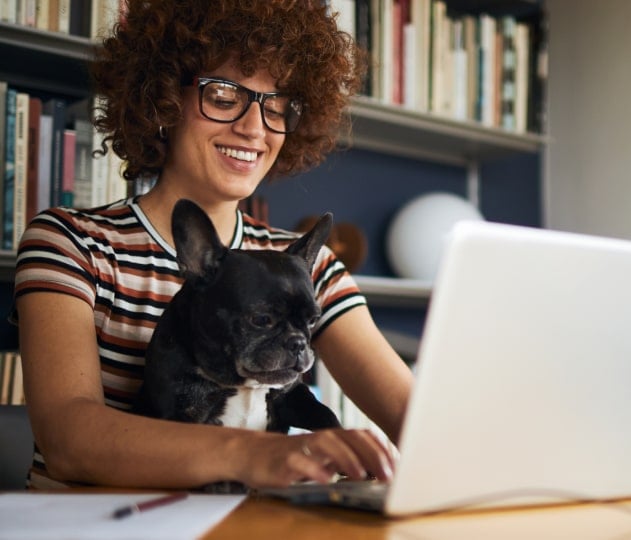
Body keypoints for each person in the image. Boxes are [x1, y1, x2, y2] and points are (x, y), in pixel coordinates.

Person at [12, 0, 414, 490]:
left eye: (277, 105)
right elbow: (68, 441)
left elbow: (413, 413)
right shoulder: (73, 243)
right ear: (162, 100)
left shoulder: (307, 265)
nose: (254, 127)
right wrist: (258, 453)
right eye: (224, 95)